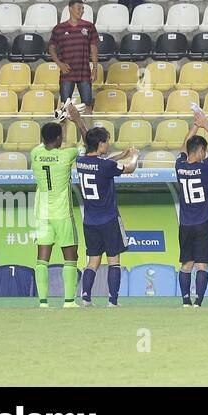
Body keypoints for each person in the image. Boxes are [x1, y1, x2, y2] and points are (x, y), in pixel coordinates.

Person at [32, 102, 91, 308]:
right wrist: (77, 120)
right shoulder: (67, 155)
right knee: (70, 256)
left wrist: (60, 118)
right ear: (59, 139)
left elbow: (48, 138)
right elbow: (89, 144)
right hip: (62, 213)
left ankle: (43, 303)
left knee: (42, 258)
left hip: (42, 212)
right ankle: (68, 301)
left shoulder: (35, 153)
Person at [75, 126, 138, 306]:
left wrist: (120, 155)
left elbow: (102, 164)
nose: (108, 144)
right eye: (107, 141)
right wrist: (134, 155)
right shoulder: (105, 165)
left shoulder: (80, 161)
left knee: (93, 260)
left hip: (90, 221)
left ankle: (86, 298)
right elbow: (130, 169)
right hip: (108, 219)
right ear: (101, 144)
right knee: (114, 260)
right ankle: (113, 301)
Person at [175, 111, 208, 308]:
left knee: (186, 264)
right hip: (203, 224)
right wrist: (205, 125)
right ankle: (199, 302)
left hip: (185, 224)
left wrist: (195, 126)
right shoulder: (205, 167)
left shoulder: (179, 166)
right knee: (203, 264)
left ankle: (186, 300)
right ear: (202, 150)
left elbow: (182, 148)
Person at [49, 0, 99, 112]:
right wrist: (59, 64)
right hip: (67, 73)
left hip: (84, 72)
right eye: (79, 8)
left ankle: (87, 130)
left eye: (83, 9)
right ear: (70, 9)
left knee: (88, 105)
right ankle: (64, 130)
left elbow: (94, 48)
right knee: (65, 107)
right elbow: (51, 48)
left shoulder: (89, 26)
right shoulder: (59, 28)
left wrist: (95, 69)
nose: (81, 11)